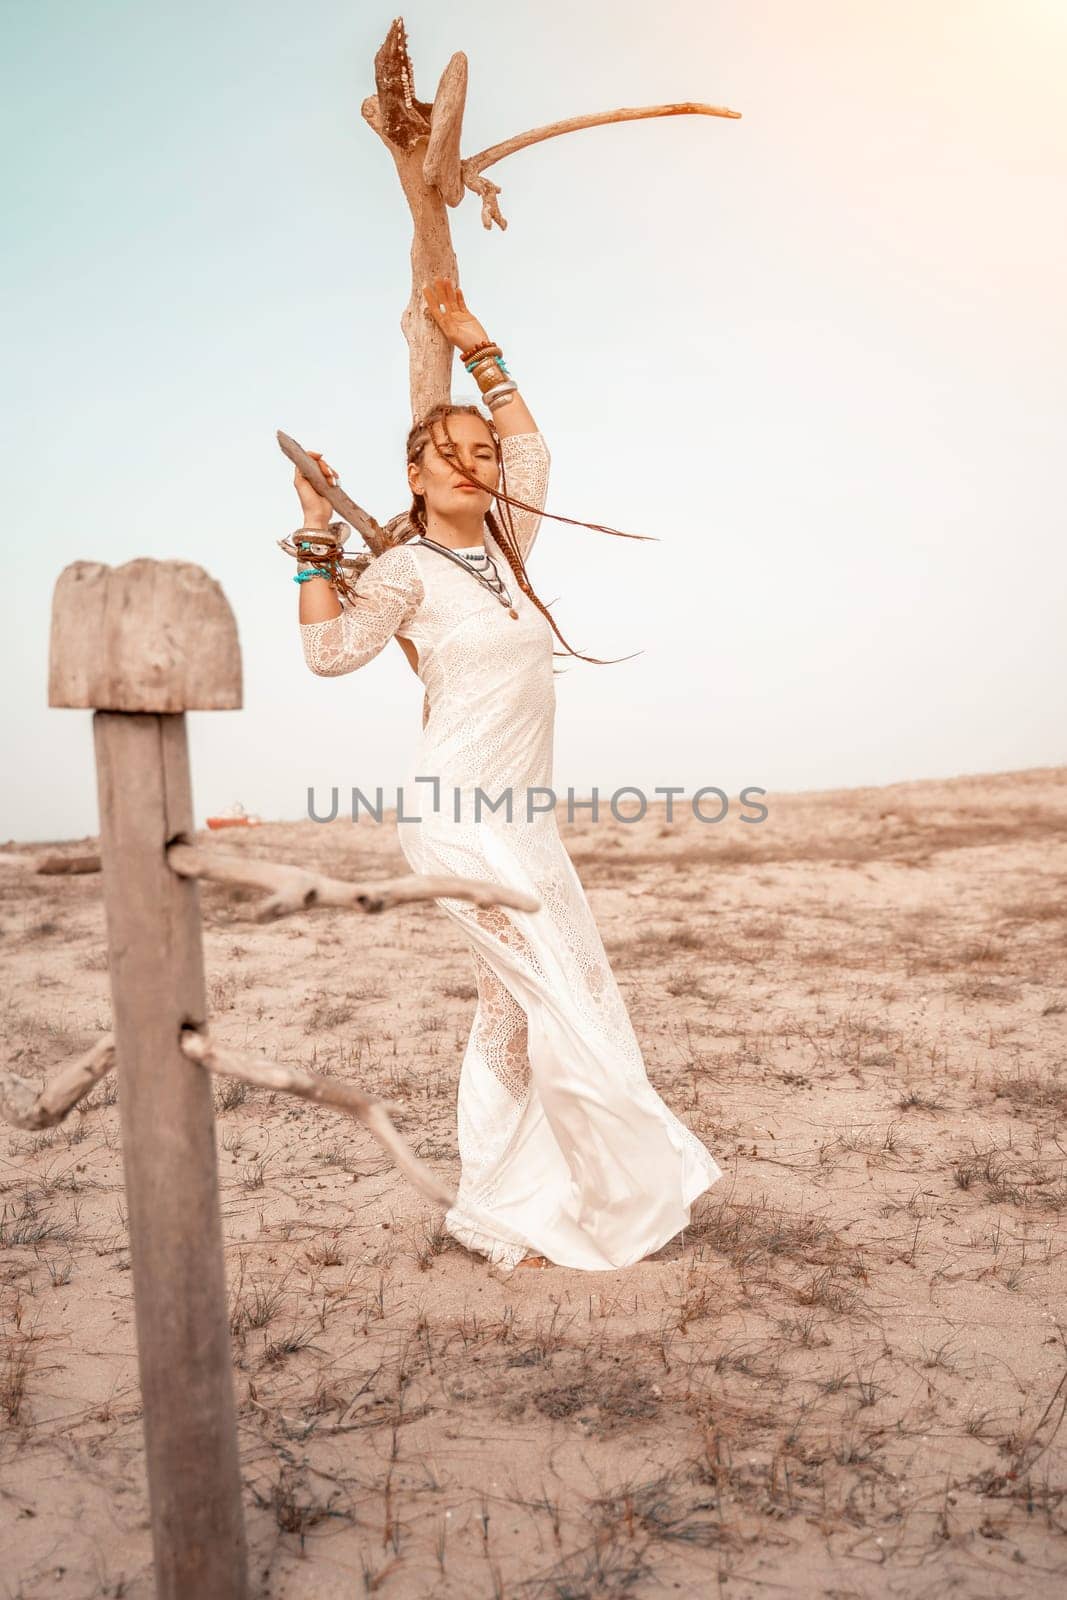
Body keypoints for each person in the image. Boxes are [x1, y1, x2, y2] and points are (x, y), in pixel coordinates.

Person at [291, 277, 723, 1273]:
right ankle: (525, 1192)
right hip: (452, 813)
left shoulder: (504, 549)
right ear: (414, 468)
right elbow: (326, 655)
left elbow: (532, 451)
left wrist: (479, 348)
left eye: (481, 451)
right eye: (452, 449)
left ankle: (500, 1201)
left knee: (520, 1002)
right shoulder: (401, 569)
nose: (476, 462)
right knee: (549, 991)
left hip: (521, 818)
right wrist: (316, 532)